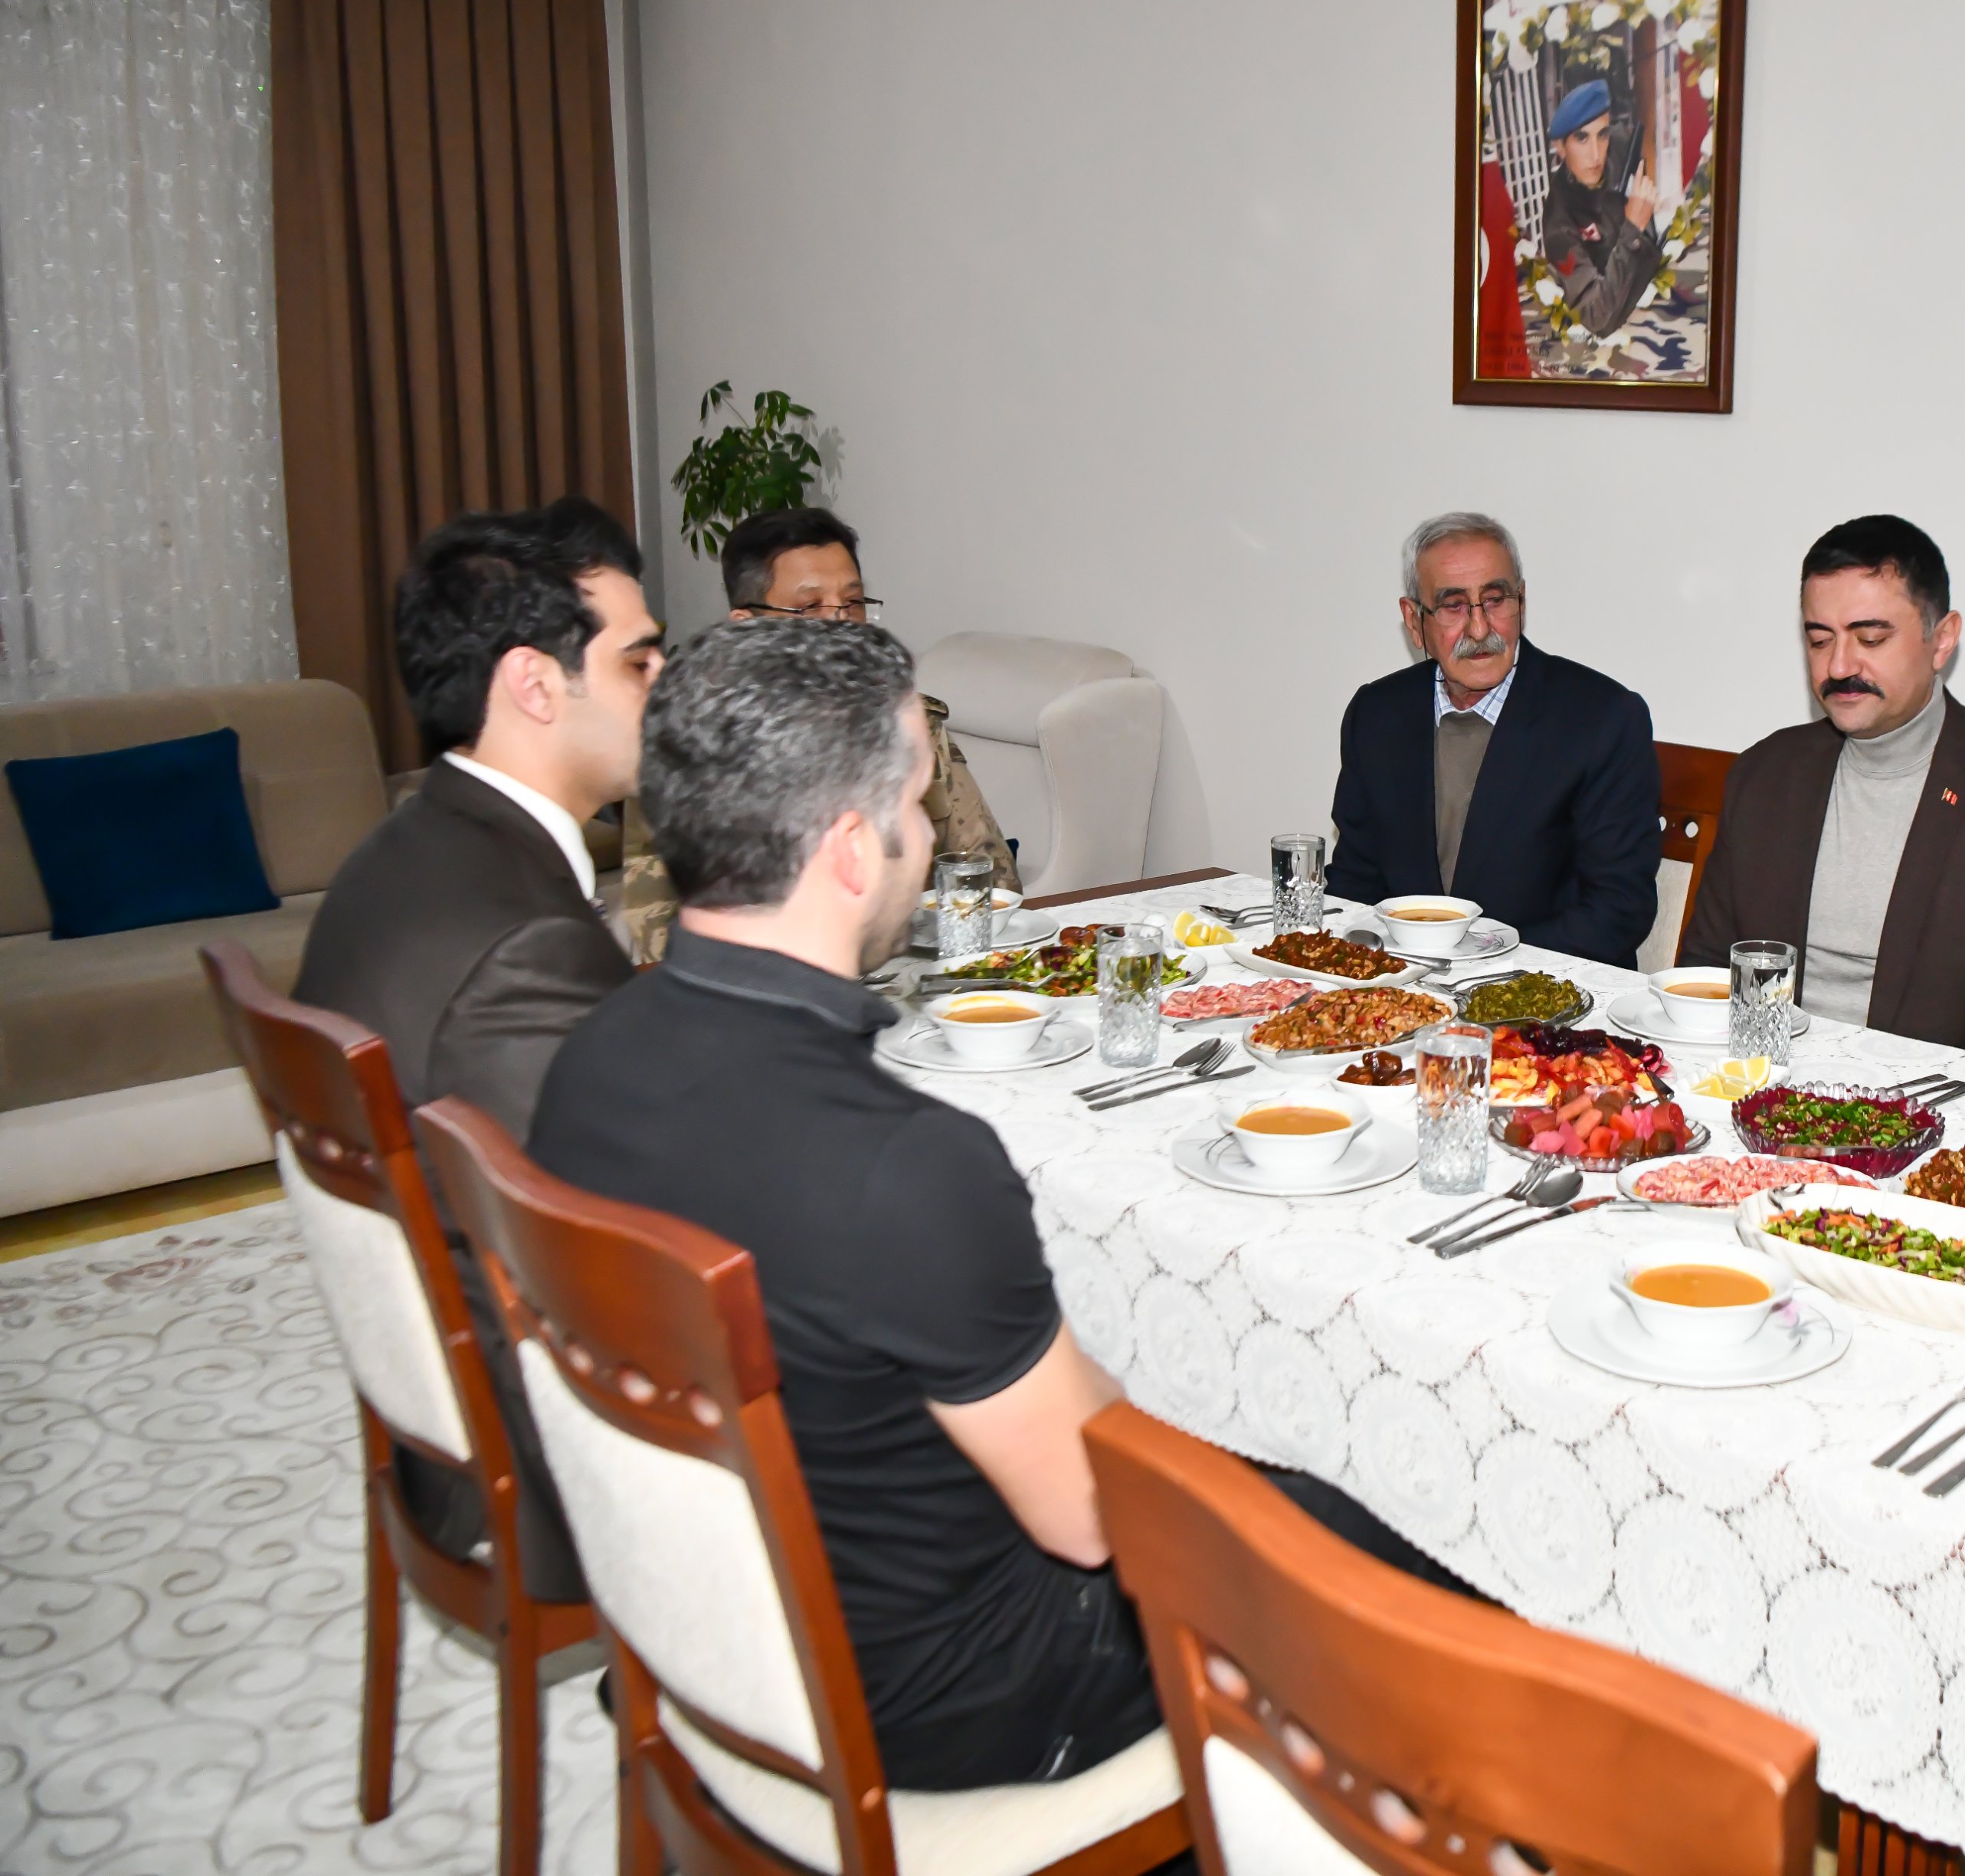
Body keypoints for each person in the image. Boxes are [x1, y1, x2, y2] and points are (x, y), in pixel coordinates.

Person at [531, 620, 1455, 1790]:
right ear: (853, 849)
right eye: (916, 803)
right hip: (957, 1692)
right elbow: (1091, 1517)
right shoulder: (904, 1162)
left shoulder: (589, 1056)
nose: (931, 837)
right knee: (1399, 1531)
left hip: (719, 1617)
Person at [293, 495, 664, 1601]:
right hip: (534, 1440)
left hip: (452, 1366)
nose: (664, 684)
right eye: (639, 660)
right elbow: (633, 1235)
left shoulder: (412, 847)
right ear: (535, 684)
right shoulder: (520, 937)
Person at [1677, 516, 1965, 1054]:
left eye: (1870, 638)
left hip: (1923, 1097)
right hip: (1755, 1079)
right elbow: (1706, 974)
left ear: (1941, 640)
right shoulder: (1767, 774)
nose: (1839, 666)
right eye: (1819, 639)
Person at [1326, 512, 1660, 965]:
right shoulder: (1378, 714)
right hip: (1402, 984)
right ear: (1414, 620)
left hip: (1542, 990)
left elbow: (1618, 909)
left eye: (1496, 600)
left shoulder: (1602, 718)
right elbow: (1354, 885)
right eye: (1453, 606)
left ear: (1522, 601)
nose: (1480, 629)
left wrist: (1481, 965)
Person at [720, 504, 1017, 892]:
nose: (841, 624)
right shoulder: (702, 751)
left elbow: (991, 880)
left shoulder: (910, 724)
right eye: (809, 607)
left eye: (853, 603)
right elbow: (669, 921)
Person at [1535, 78, 1663, 335]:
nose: (1596, 155)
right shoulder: (1558, 222)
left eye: (1602, 135)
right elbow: (1597, 319)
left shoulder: (1621, 147)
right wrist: (1632, 230)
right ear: (1560, 147)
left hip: (1653, 296)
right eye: (1582, 138)